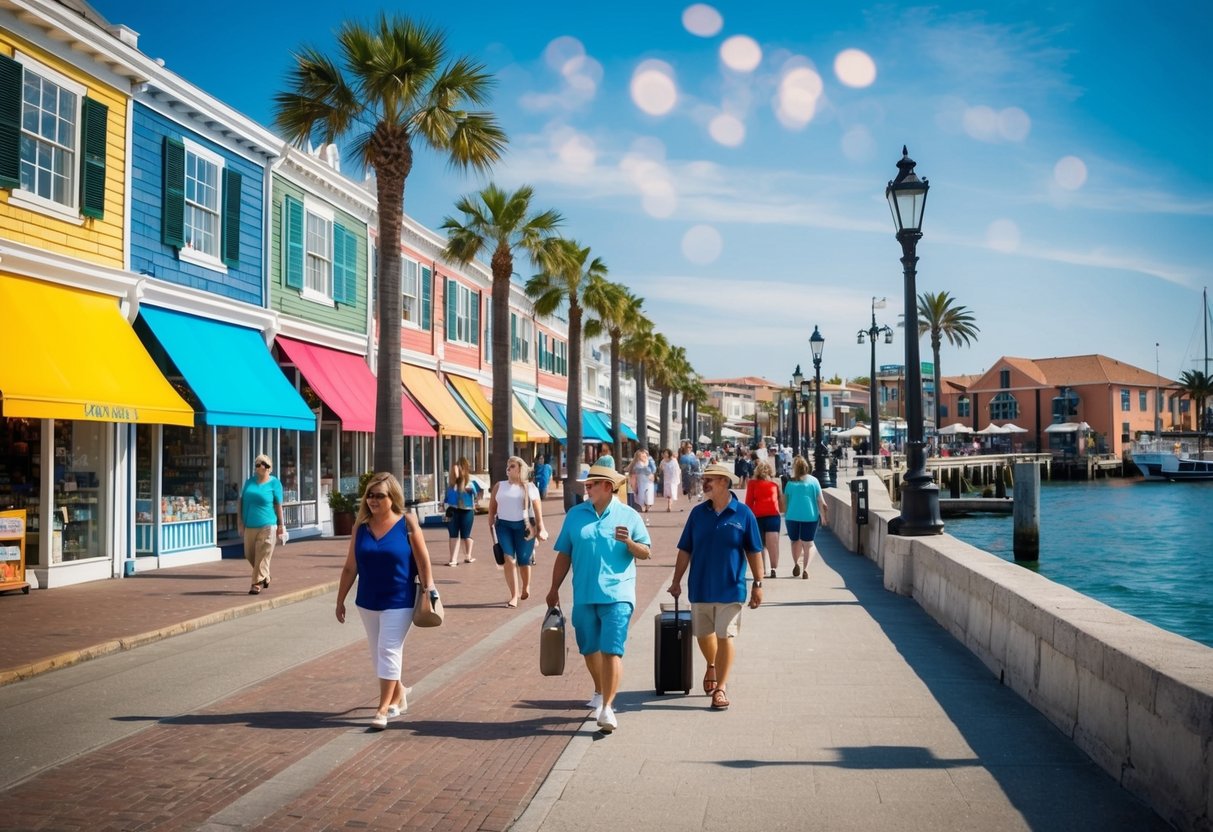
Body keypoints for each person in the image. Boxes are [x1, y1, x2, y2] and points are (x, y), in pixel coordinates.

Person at [545, 465, 651, 734]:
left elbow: (645, 552)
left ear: (607, 486)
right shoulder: (575, 515)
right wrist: (554, 587)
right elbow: (564, 554)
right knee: (589, 649)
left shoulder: (629, 515)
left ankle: (607, 707)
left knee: (612, 649)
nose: (586, 488)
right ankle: (600, 688)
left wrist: (629, 543)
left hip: (618, 594)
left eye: (591, 484)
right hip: (583, 593)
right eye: (586, 484)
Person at [335, 472, 437, 730]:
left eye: (379, 495)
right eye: (369, 495)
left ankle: (382, 709)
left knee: (388, 649)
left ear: (393, 497)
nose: (372, 500)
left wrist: (430, 589)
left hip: (399, 599)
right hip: (367, 600)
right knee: (378, 654)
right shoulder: (360, 528)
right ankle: (399, 692)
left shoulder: (407, 523)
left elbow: (423, 559)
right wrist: (340, 600)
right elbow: (350, 567)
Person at [668, 463, 763, 711]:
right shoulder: (698, 514)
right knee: (703, 634)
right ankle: (712, 664)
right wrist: (676, 581)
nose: (704, 483)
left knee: (726, 635)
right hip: (699, 585)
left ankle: (720, 687)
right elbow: (685, 549)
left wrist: (758, 584)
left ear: (723, 482)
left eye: (709, 479)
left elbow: (754, 551)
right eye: (704, 479)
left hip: (731, 588)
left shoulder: (743, 514)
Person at [488, 456, 548, 608]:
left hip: (525, 527)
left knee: (523, 560)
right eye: (508, 465)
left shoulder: (529, 487)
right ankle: (513, 595)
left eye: (512, 466)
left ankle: (525, 586)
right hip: (503, 527)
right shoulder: (499, 486)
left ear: (520, 469)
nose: (508, 468)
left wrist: (541, 527)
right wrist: (492, 529)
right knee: (509, 559)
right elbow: (492, 510)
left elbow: (537, 509)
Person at [237, 453, 285, 595]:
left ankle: (256, 583)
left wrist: (281, 525)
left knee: (262, 554)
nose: (260, 467)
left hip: (268, 525)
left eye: (263, 464)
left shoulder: (274, 483)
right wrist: (240, 522)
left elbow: (278, 505)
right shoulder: (249, 482)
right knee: (249, 555)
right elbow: (240, 502)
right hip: (250, 525)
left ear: (269, 468)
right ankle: (265, 576)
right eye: (257, 464)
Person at [784, 455, 827, 579]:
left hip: (792, 516)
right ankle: (806, 569)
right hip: (810, 516)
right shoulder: (814, 481)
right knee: (809, 544)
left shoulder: (790, 482)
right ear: (807, 467)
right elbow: (821, 501)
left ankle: (796, 563)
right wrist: (823, 517)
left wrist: (786, 514)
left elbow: (785, 501)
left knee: (795, 541)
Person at [744, 460, 784, 578]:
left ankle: (762, 570)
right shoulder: (776, 482)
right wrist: (781, 510)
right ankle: (774, 569)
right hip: (773, 516)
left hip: (757, 517)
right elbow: (781, 500)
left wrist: (746, 519)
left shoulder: (752, 483)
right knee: (773, 545)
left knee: (759, 545)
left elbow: (748, 503)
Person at [443, 457, 482, 567]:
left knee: (466, 535)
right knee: (453, 534)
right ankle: (453, 559)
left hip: (467, 510)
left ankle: (468, 555)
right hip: (452, 510)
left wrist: (476, 501)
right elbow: (447, 497)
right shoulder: (451, 483)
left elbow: (476, 492)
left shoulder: (470, 482)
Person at [628, 449, 655, 518]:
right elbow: (633, 470)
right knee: (641, 494)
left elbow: (654, 470)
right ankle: (642, 506)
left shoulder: (650, 462)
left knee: (648, 494)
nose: (644, 457)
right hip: (640, 481)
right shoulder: (637, 464)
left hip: (649, 481)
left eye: (645, 455)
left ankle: (647, 505)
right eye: (641, 455)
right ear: (638, 457)